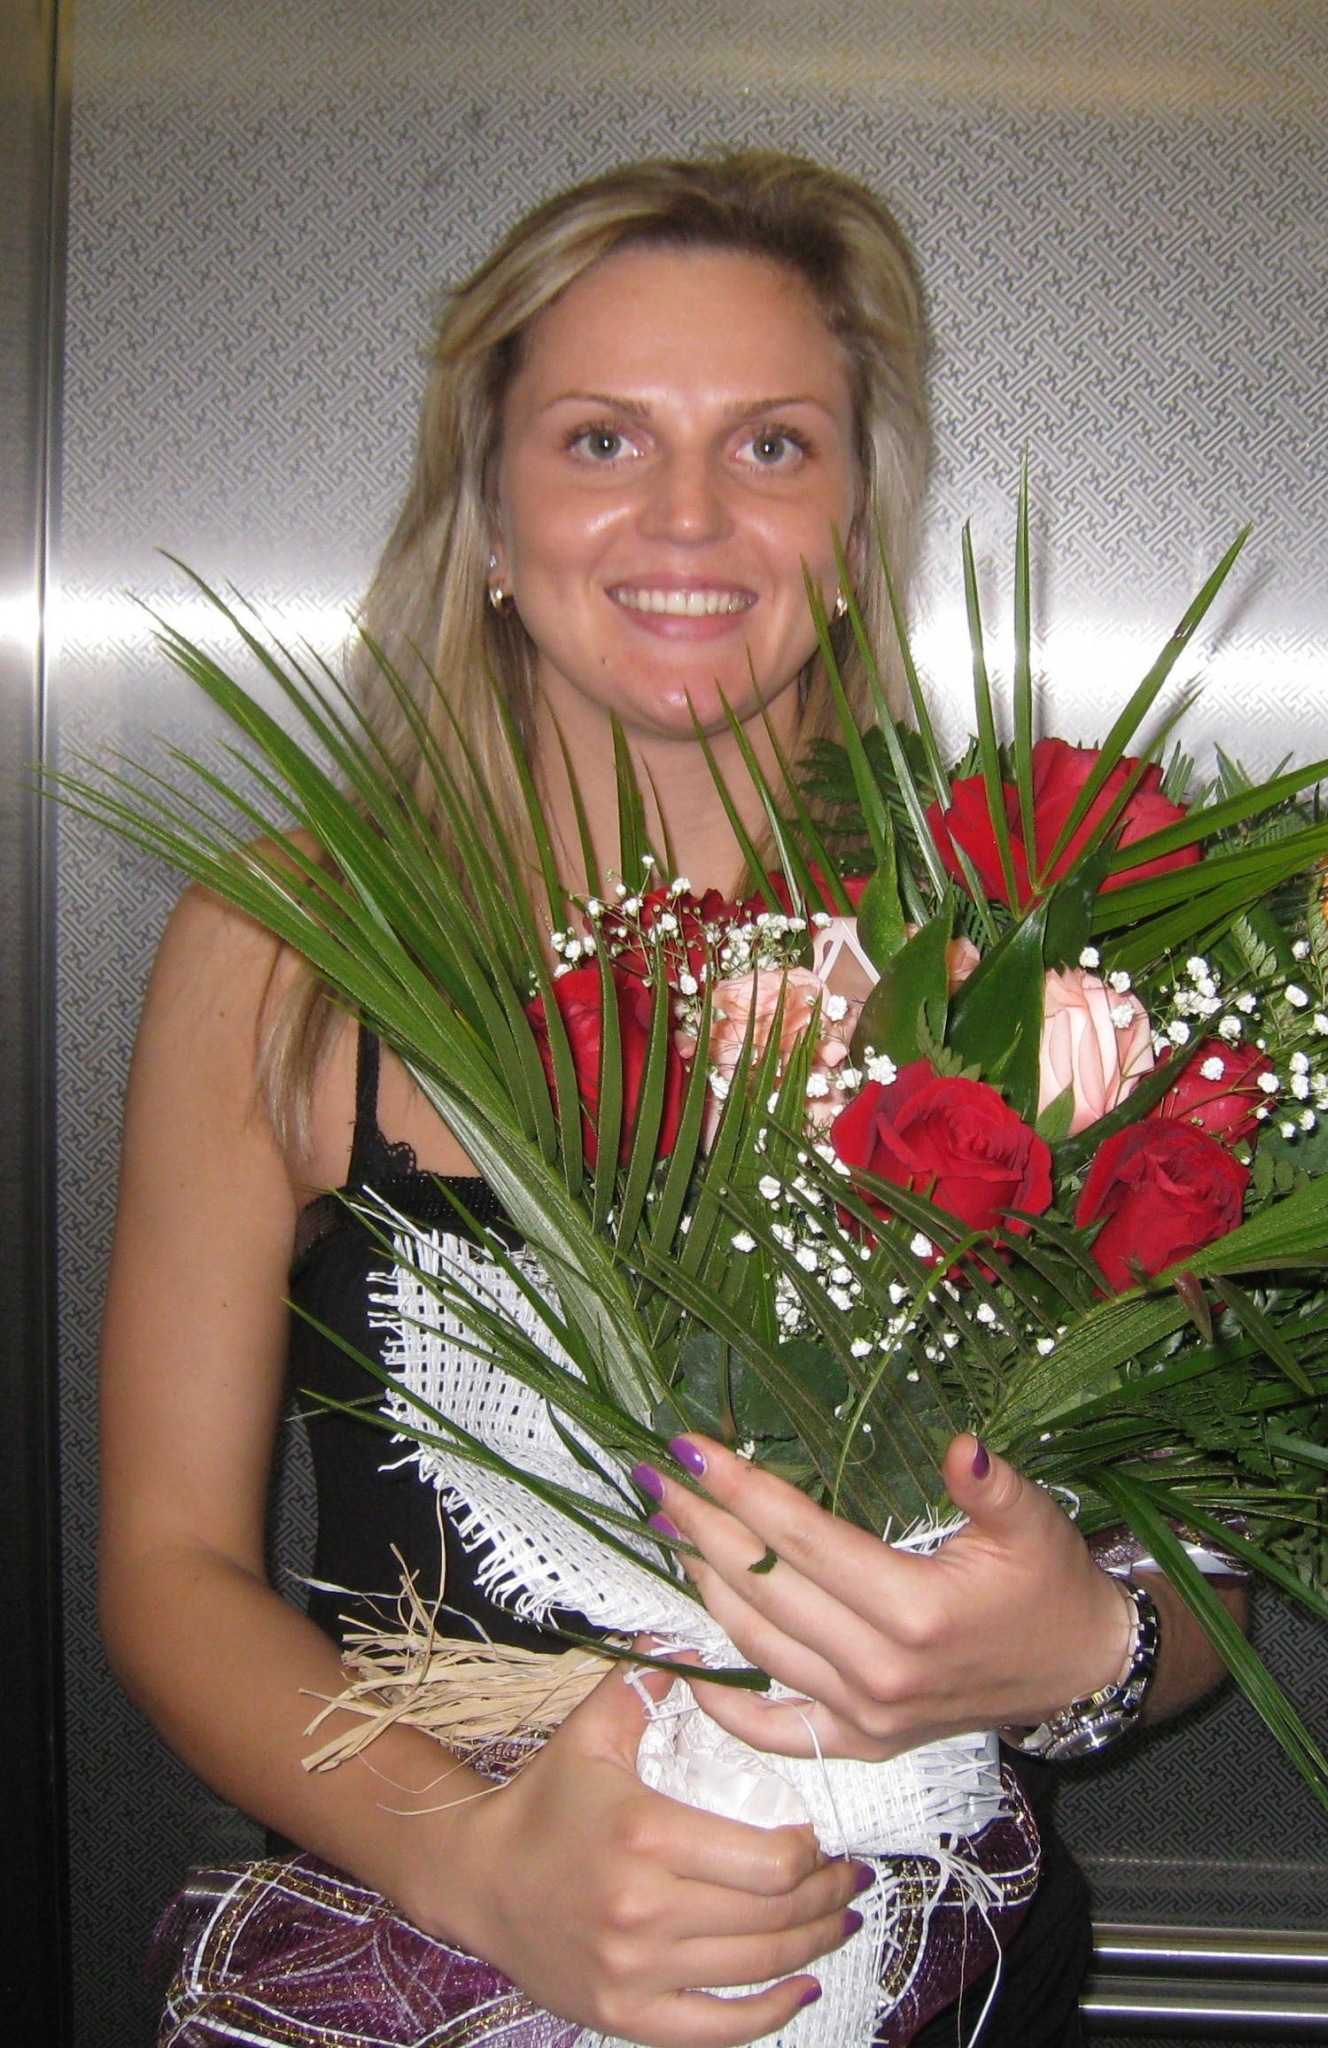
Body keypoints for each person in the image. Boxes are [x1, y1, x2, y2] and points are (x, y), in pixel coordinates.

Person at [101, 150, 1245, 2048]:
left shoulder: (1033, 947)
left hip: (940, 1982)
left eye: (773, 445)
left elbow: (1211, 1582)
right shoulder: (292, 947)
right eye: (603, 440)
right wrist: (483, 1870)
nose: (692, 514)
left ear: (855, 518)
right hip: (436, 1968)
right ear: (490, 509)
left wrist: (1082, 1649)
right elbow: (171, 1568)